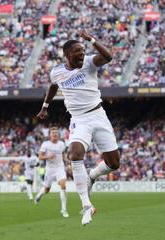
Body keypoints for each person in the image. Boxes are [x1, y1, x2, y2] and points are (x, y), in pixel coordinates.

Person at [37, 30, 120, 225]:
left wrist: (91, 39)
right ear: (67, 55)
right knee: (74, 154)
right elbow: (53, 86)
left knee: (114, 164)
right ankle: (86, 205)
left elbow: (108, 56)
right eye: (77, 51)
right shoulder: (57, 72)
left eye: (83, 50)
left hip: (98, 115)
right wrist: (45, 106)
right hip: (79, 119)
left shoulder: (90, 63)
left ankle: (92, 175)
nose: (82, 53)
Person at [34, 127, 69, 218]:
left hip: (60, 168)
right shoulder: (45, 144)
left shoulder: (62, 144)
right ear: (50, 135)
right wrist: (48, 156)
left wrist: (67, 161)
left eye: (56, 133)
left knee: (63, 185)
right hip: (49, 169)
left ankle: (64, 209)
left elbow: (64, 155)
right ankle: (39, 195)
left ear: (58, 135)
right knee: (47, 189)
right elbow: (40, 157)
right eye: (53, 133)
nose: (55, 134)